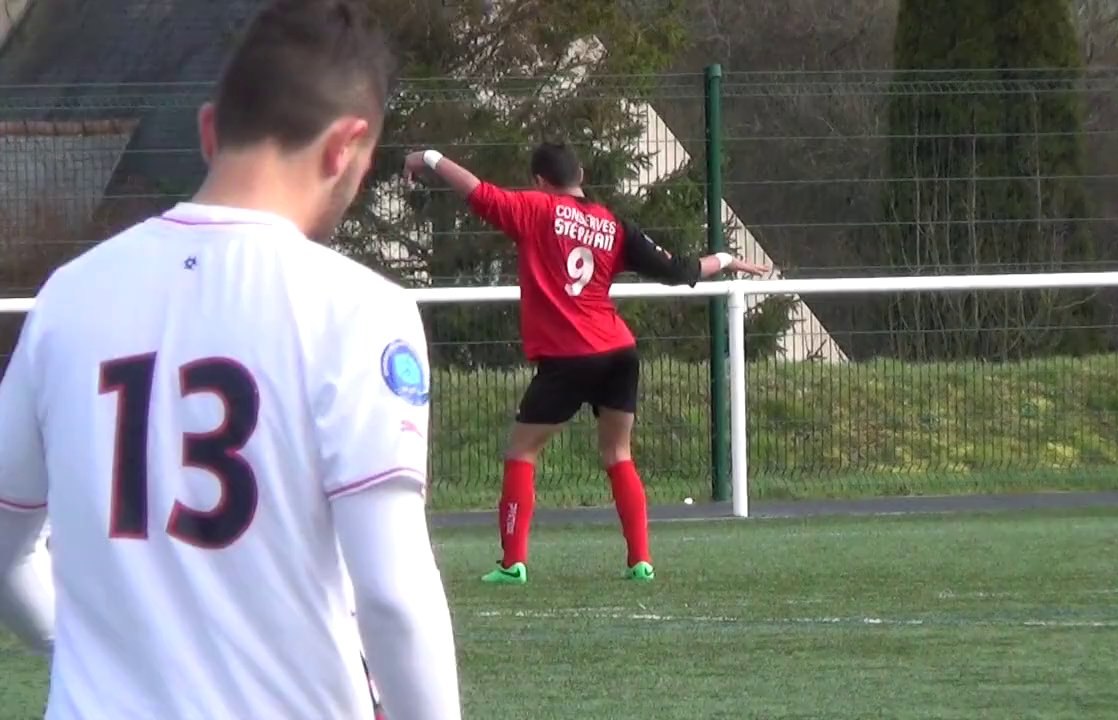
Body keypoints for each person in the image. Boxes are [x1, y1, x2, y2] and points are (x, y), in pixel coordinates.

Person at [0, 1, 462, 718]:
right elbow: (393, 597)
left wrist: (82, 651)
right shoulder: (356, 308)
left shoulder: (67, 300)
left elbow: (5, 550)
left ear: (209, 129)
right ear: (346, 146)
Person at [402, 141, 767, 584]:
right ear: (582, 176)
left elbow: (478, 191)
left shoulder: (535, 209)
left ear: (540, 181)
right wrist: (725, 259)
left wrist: (431, 158)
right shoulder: (613, 225)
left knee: (521, 451)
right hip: (618, 350)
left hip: (569, 356)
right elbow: (677, 270)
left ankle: (513, 562)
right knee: (617, 452)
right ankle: (640, 561)